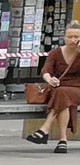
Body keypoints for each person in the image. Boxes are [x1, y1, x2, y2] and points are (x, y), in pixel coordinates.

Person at [29, 21, 80, 153]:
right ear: (64, 37)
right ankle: (62, 141)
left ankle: (46, 128)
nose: (73, 40)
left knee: (61, 94)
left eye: (76, 37)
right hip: (60, 88)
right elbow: (46, 70)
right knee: (62, 96)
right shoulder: (55, 53)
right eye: (70, 36)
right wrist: (49, 79)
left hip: (77, 87)